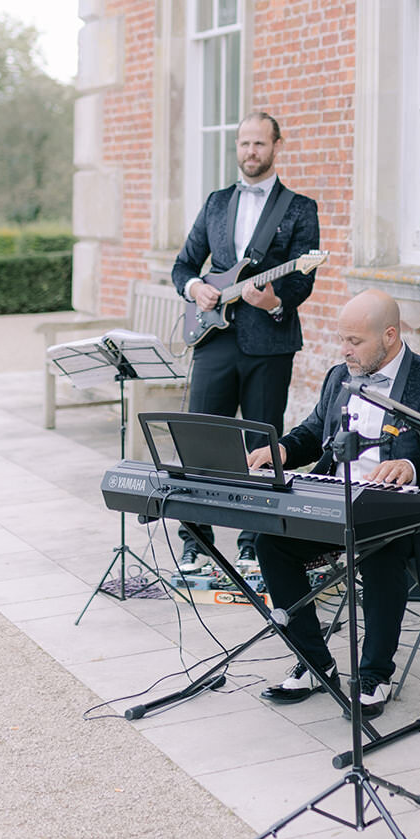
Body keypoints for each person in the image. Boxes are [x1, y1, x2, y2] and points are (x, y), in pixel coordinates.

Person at [249, 289, 420, 719]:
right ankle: (316, 663)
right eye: (342, 339)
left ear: (389, 335)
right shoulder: (339, 377)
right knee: (270, 543)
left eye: (355, 341)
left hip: (404, 515)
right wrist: (282, 451)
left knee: (380, 550)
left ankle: (374, 675)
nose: (345, 350)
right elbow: (315, 433)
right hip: (336, 503)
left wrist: (410, 465)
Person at [171, 111, 320, 569]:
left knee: (261, 443)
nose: (250, 152)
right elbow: (183, 266)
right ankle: (196, 538)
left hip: (269, 346)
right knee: (201, 440)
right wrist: (197, 289)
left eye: (259, 144)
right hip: (214, 341)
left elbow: (303, 280)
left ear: (277, 146)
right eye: (243, 144)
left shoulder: (299, 207)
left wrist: (274, 301)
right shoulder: (216, 202)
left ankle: (255, 542)